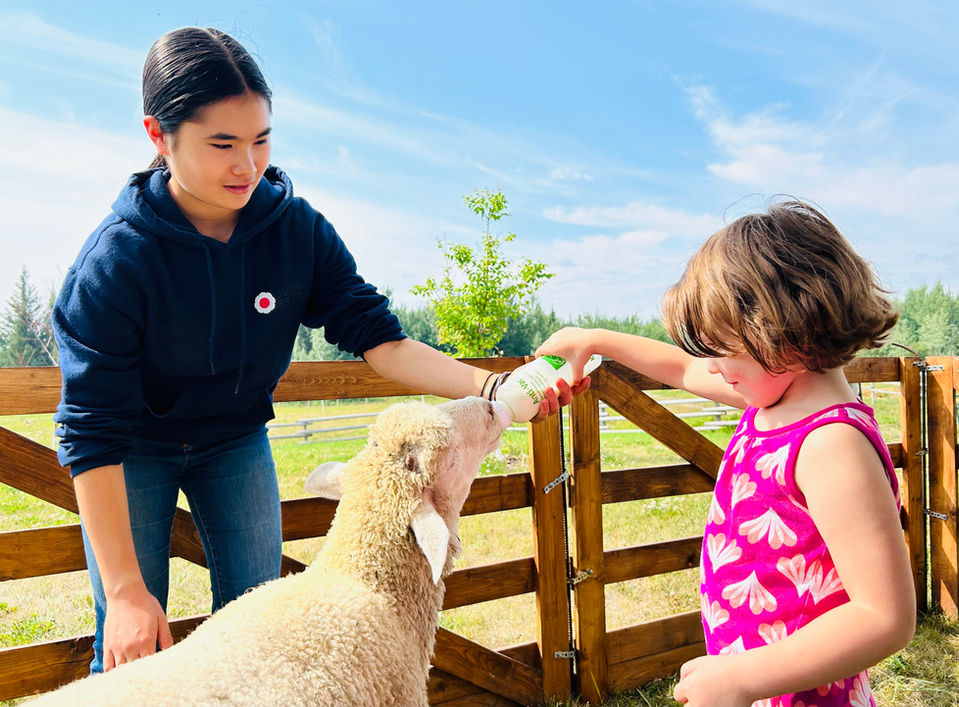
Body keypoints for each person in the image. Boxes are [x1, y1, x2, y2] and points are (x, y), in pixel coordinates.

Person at [52, 26, 584, 675]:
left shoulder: (295, 230)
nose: (245, 165)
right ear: (158, 136)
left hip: (234, 438)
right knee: (132, 636)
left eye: (260, 140)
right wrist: (129, 593)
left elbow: (381, 340)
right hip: (131, 448)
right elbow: (91, 432)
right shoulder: (114, 263)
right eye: (222, 144)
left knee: (259, 617)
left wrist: (492, 390)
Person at [536, 199, 915, 707]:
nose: (710, 367)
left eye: (721, 348)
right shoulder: (771, 397)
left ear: (784, 331)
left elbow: (883, 616)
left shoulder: (830, 445)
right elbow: (679, 368)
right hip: (758, 683)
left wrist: (744, 679)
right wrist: (596, 339)